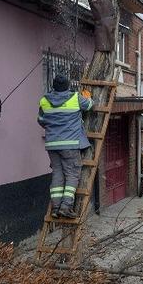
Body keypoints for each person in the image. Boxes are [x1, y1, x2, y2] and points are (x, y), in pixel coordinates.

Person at [37, 74, 94, 218]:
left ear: (53, 86)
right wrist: (87, 96)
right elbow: (89, 105)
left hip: (51, 144)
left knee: (57, 173)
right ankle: (66, 206)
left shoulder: (44, 100)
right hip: (70, 144)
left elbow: (41, 120)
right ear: (68, 86)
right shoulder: (75, 98)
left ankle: (56, 208)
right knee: (72, 174)